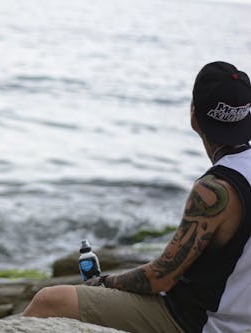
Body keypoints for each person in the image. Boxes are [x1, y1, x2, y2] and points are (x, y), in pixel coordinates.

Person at [23, 61, 251, 333]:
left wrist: (104, 282)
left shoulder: (216, 188)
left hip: (201, 322)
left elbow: (160, 278)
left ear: (193, 115)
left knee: (50, 300)